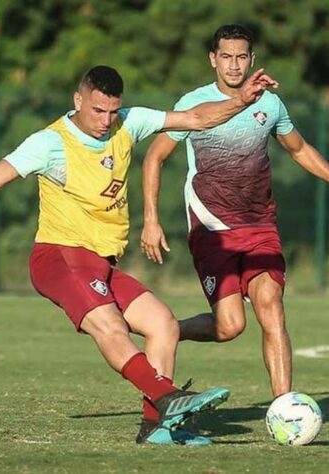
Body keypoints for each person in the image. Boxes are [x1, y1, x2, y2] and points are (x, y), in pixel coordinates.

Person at [0, 65, 276, 445]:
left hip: (100, 263)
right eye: (97, 111)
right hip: (60, 256)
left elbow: (194, 118)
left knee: (163, 323)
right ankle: (166, 398)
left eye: (112, 111)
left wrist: (239, 100)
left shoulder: (127, 122)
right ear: (78, 100)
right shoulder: (50, 143)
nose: (105, 121)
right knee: (111, 326)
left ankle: (157, 428)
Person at [141, 25, 329, 400]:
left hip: (261, 224)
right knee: (230, 327)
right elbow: (155, 156)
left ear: (252, 59)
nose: (233, 64)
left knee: (272, 308)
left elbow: (299, 148)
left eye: (241, 56)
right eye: (226, 56)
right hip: (213, 227)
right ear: (213, 60)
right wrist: (151, 219)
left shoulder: (270, 103)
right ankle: (168, 329)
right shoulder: (193, 103)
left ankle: (284, 407)